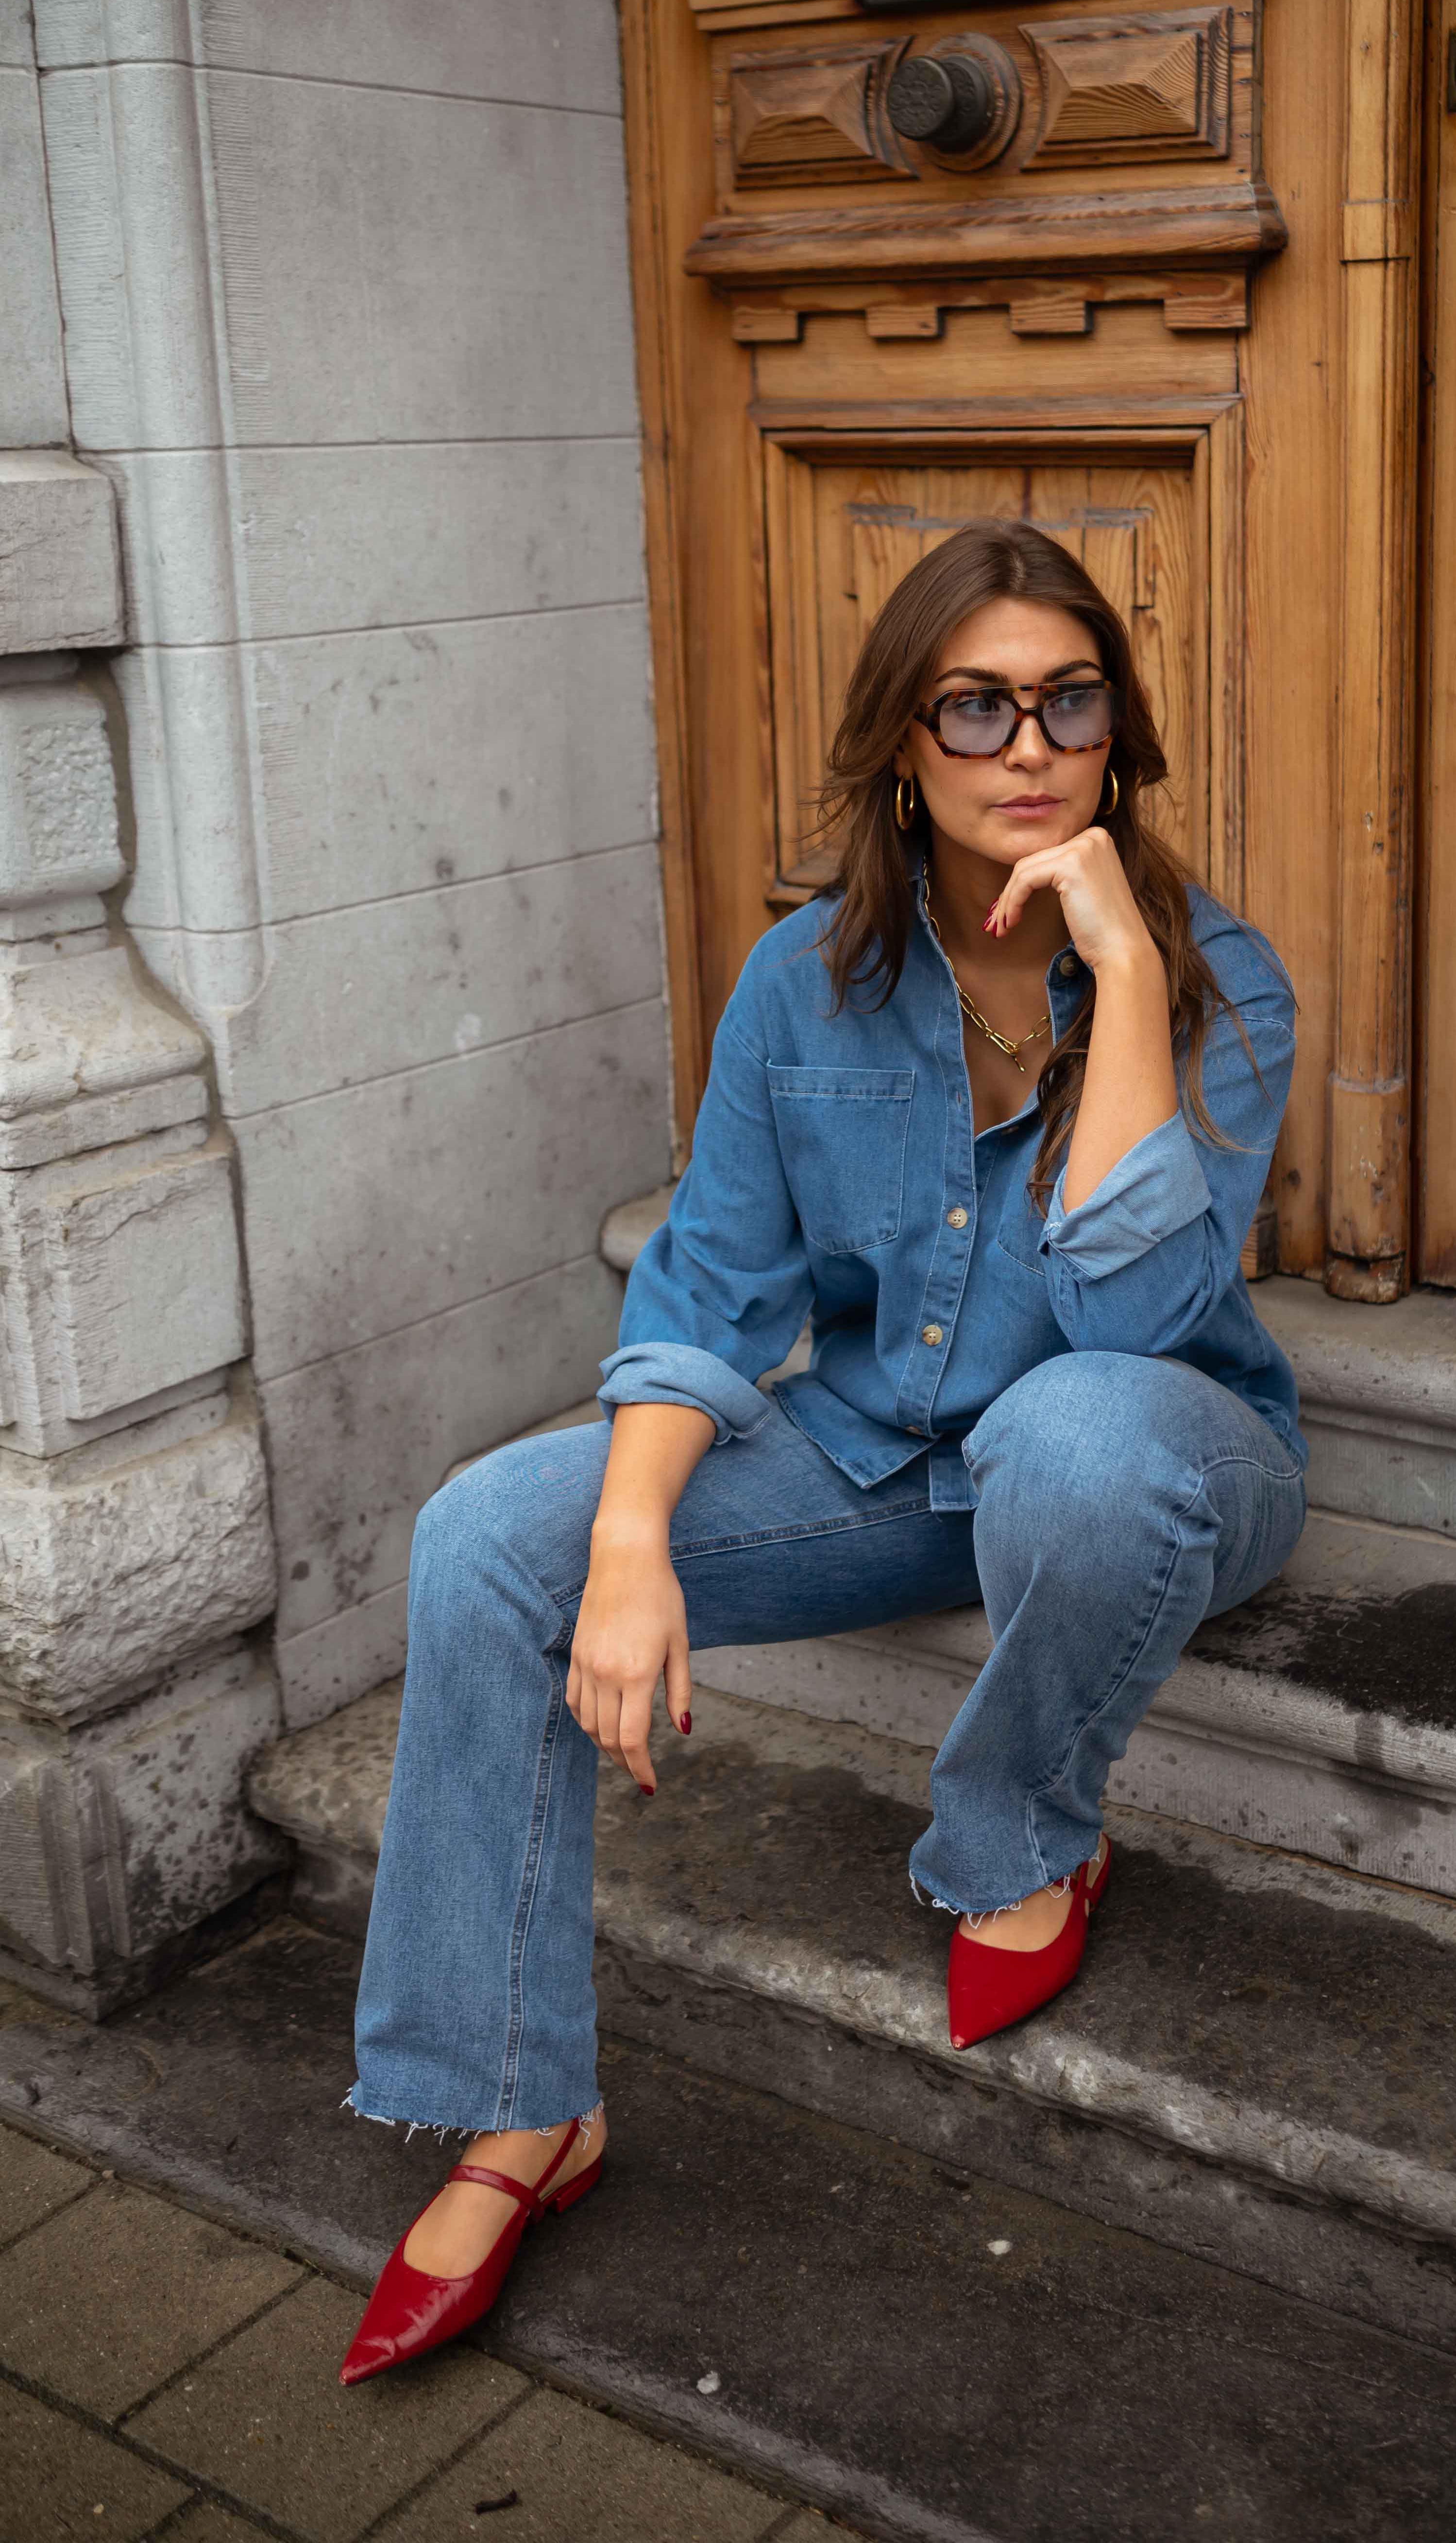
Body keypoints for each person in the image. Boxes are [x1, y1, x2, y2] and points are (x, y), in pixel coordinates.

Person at [338, 518, 1305, 2384]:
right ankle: (521, 2106)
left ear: (1118, 732)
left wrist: (1120, 966)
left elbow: (1136, 1326)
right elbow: (706, 1284)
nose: (1030, 747)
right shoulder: (807, 981)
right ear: (900, 746)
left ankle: (1023, 1828)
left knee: (1073, 1431)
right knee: (490, 1534)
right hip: (892, 1464)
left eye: (1070, 702)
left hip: (1168, 1459)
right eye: (976, 707)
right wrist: (631, 1543)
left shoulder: (1218, 979)